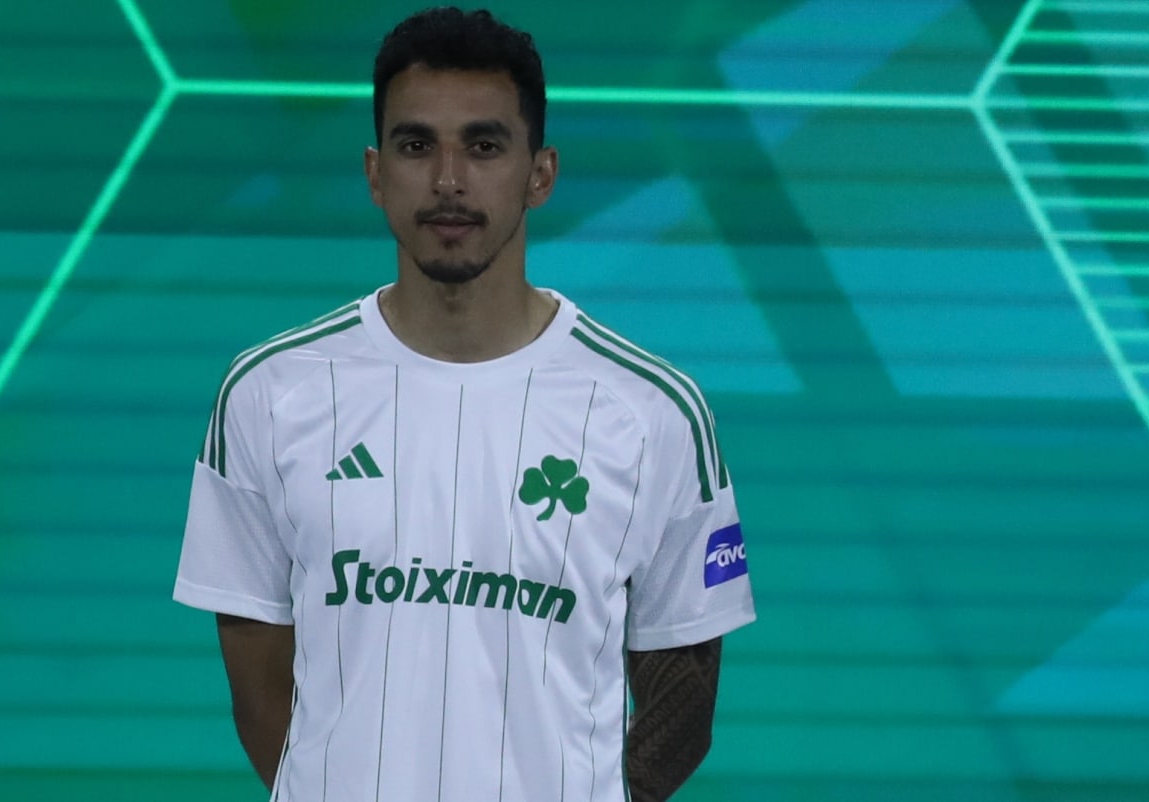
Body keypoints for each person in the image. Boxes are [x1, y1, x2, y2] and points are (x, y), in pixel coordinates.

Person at [173, 7, 756, 801]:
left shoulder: (652, 412)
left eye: (484, 146)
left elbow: (682, 706)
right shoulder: (269, 393)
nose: (448, 180)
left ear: (540, 174)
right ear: (375, 173)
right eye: (417, 146)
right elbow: (262, 696)